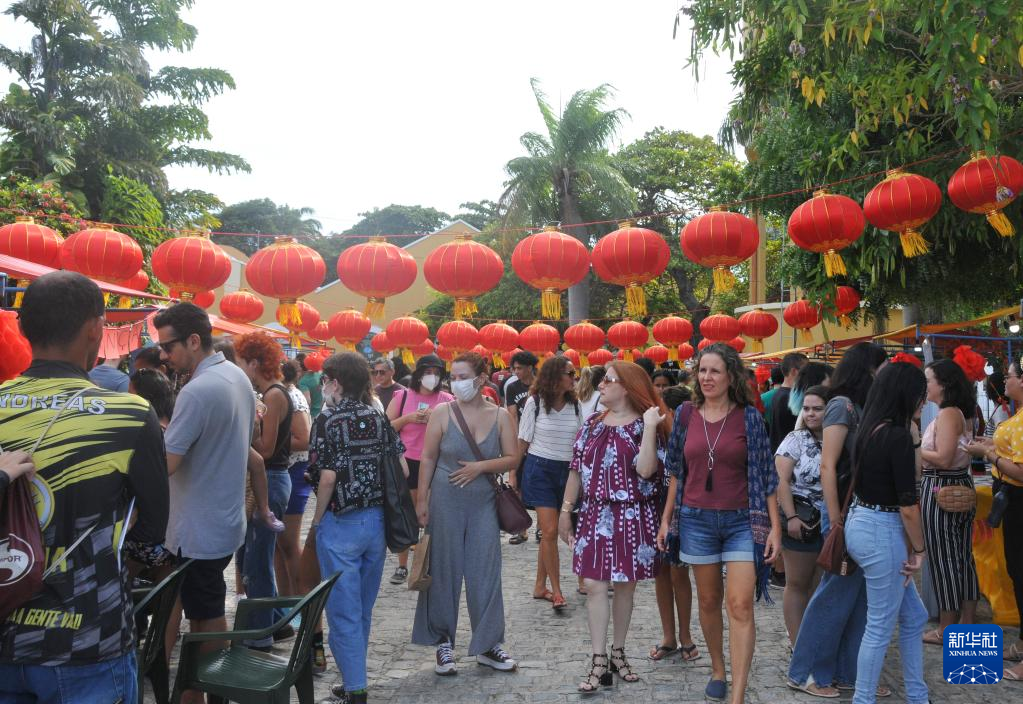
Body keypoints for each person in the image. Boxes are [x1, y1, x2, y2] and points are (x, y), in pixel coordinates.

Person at [0, 272, 169, 704]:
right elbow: (153, 530)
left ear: (23, 328)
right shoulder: (130, 415)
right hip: (88, 637)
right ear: (96, 328)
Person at [658, 343, 781, 704]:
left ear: (731, 377)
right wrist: (667, 519)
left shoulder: (749, 418)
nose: (707, 377)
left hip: (743, 521)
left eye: (715, 371)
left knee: (739, 604)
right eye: (702, 370)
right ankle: (717, 669)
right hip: (695, 520)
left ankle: (737, 696)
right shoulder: (685, 415)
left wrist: (774, 527)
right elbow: (675, 471)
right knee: (709, 600)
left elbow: (766, 476)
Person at [155, 303, 262, 703]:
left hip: (198, 525)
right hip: (221, 518)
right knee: (203, 612)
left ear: (194, 341)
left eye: (168, 347)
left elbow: (167, 463)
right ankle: (200, 691)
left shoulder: (198, 390)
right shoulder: (236, 376)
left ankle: (207, 692)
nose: (164, 355)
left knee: (206, 615)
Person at [558, 361, 669, 692]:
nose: (601, 385)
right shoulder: (592, 423)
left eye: (608, 380)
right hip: (594, 512)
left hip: (632, 514)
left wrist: (650, 427)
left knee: (624, 587)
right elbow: (576, 469)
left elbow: (647, 470)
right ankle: (598, 658)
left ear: (628, 386)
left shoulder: (647, 425)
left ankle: (617, 652)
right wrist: (566, 511)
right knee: (594, 585)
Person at [787, 341, 889, 698]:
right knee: (832, 597)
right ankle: (805, 672)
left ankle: (846, 672)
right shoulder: (841, 405)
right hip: (843, 514)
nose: (884, 374)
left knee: (855, 599)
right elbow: (828, 466)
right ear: (868, 369)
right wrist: (835, 519)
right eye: (881, 367)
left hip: (858, 512)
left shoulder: (859, 406)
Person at [412, 352, 520, 675]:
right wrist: (421, 500)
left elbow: (513, 458)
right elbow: (427, 457)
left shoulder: (500, 416)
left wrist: (480, 467)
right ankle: (443, 642)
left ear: (481, 379)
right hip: (445, 500)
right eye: (453, 377)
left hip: (484, 502)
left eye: (463, 377)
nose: (456, 383)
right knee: (443, 571)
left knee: (485, 571)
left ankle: (488, 644)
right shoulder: (442, 412)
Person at [310, 352, 407, 704]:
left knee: (342, 611)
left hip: (341, 524)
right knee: (362, 609)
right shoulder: (378, 416)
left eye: (325, 379)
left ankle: (356, 689)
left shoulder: (327, 419)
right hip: (376, 523)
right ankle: (355, 679)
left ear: (335, 382)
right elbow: (402, 469)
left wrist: (317, 520)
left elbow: (326, 478)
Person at [844, 362, 929, 704]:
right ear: (907, 395)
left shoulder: (871, 428)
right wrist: (919, 550)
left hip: (864, 523)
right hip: (882, 529)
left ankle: (918, 695)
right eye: (920, 394)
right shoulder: (896, 435)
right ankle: (863, 699)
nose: (924, 400)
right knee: (879, 626)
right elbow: (908, 504)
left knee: (913, 616)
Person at [235, 332, 295, 649]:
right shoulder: (271, 393)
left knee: (258, 560)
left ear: (254, 363)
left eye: (241, 362)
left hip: (270, 479)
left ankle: (260, 636)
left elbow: (266, 449)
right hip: (272, 479)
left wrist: (246, 429)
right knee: (255, 556)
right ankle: (275, 623)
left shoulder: (273, 396)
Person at [966, 358, 1023, 678]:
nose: (1004, 381)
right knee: (1015, 571)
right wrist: (990, 446)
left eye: (1009, 376)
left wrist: (989, 455)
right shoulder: (1016, 414)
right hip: (1010, 500)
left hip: (1017, 499)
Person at [919, 358, 979, 643]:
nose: (925, 386)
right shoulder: (960, 413)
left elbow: (942, 457)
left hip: (940, 486)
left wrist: (915, 448)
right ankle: (966, 623)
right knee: (962, 558)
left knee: (945, 559)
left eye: (928, 380)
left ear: (942, 384)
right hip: (957, 484)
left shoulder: (947, 414)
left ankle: (947, 628)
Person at [518, 356, 582, 611]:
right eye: (570, 373)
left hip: (569, 474)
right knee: (550, 530)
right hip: (540, 469)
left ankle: (539, 586)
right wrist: (512, 474)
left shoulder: (576, 406)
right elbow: (523, 441)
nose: (574, 378)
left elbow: (581, 442)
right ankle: (556, 591)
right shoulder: (534, 403)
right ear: (555, 376)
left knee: (550, 533)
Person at [386, 353, 453, 584]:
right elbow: (386, 428)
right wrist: (409, 418)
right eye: (427, 372)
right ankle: (402, 565)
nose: (432, 377)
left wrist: (438, 420)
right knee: (407, 512)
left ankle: (429, 562)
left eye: (436, 373)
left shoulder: (447, 399)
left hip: (436, 461)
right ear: (418, 375)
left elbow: (456, 431)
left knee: (432, 513)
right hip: (407, 461)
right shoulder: (403, 396)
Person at [650, 375, 699, 665]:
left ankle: (685, 636)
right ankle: (668, 636)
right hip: (654, 508)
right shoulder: (653, 434)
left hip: (682, 511)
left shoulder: (691, 438)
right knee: (661, 572)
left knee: (679, 574)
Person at [775, 385, 828, 646]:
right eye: (806, 408)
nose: (810, 414)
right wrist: (792, 517)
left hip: (830, 522)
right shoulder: (795, 439)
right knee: (797, 583)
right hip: (801, 519)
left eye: (817, 409)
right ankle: (798, 645)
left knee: (819, 585)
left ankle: (814, 641)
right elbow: (781, 481)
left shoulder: (840, 437)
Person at [276, 360, 312, 604]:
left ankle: (301, 604)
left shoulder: (291, 396)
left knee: (288, 544)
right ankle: (284, 604)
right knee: (278, 546)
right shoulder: (279, 393)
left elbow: (304, 440)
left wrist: (269, 440)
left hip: (293, 472)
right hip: (284, 470)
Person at [769, 352, 809, 452]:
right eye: (806, 371)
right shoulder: (788, 397)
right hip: (789, 452)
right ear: (794, 371)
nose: (809, 375)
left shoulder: (779, 394)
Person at [298, 352, 324, 417]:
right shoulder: (318, 374)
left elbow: (307, 401)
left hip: (312, 414)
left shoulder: (303, 381)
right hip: (321, 411)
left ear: (299, 368)